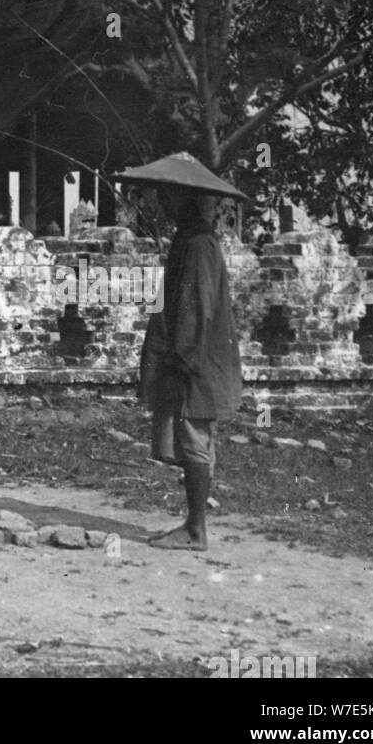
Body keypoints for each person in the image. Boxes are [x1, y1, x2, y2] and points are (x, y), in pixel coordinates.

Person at [138, 174, 243, 550]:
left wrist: (181, 357)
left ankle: (196, 529)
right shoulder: (191, 238)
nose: (163, 203)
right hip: (194, 355)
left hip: (195, 359)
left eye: (169, 195)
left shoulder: (198, 242)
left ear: (186, 199)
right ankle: (193, 524)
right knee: (191, 438)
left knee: (195, 439)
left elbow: (196, 306)